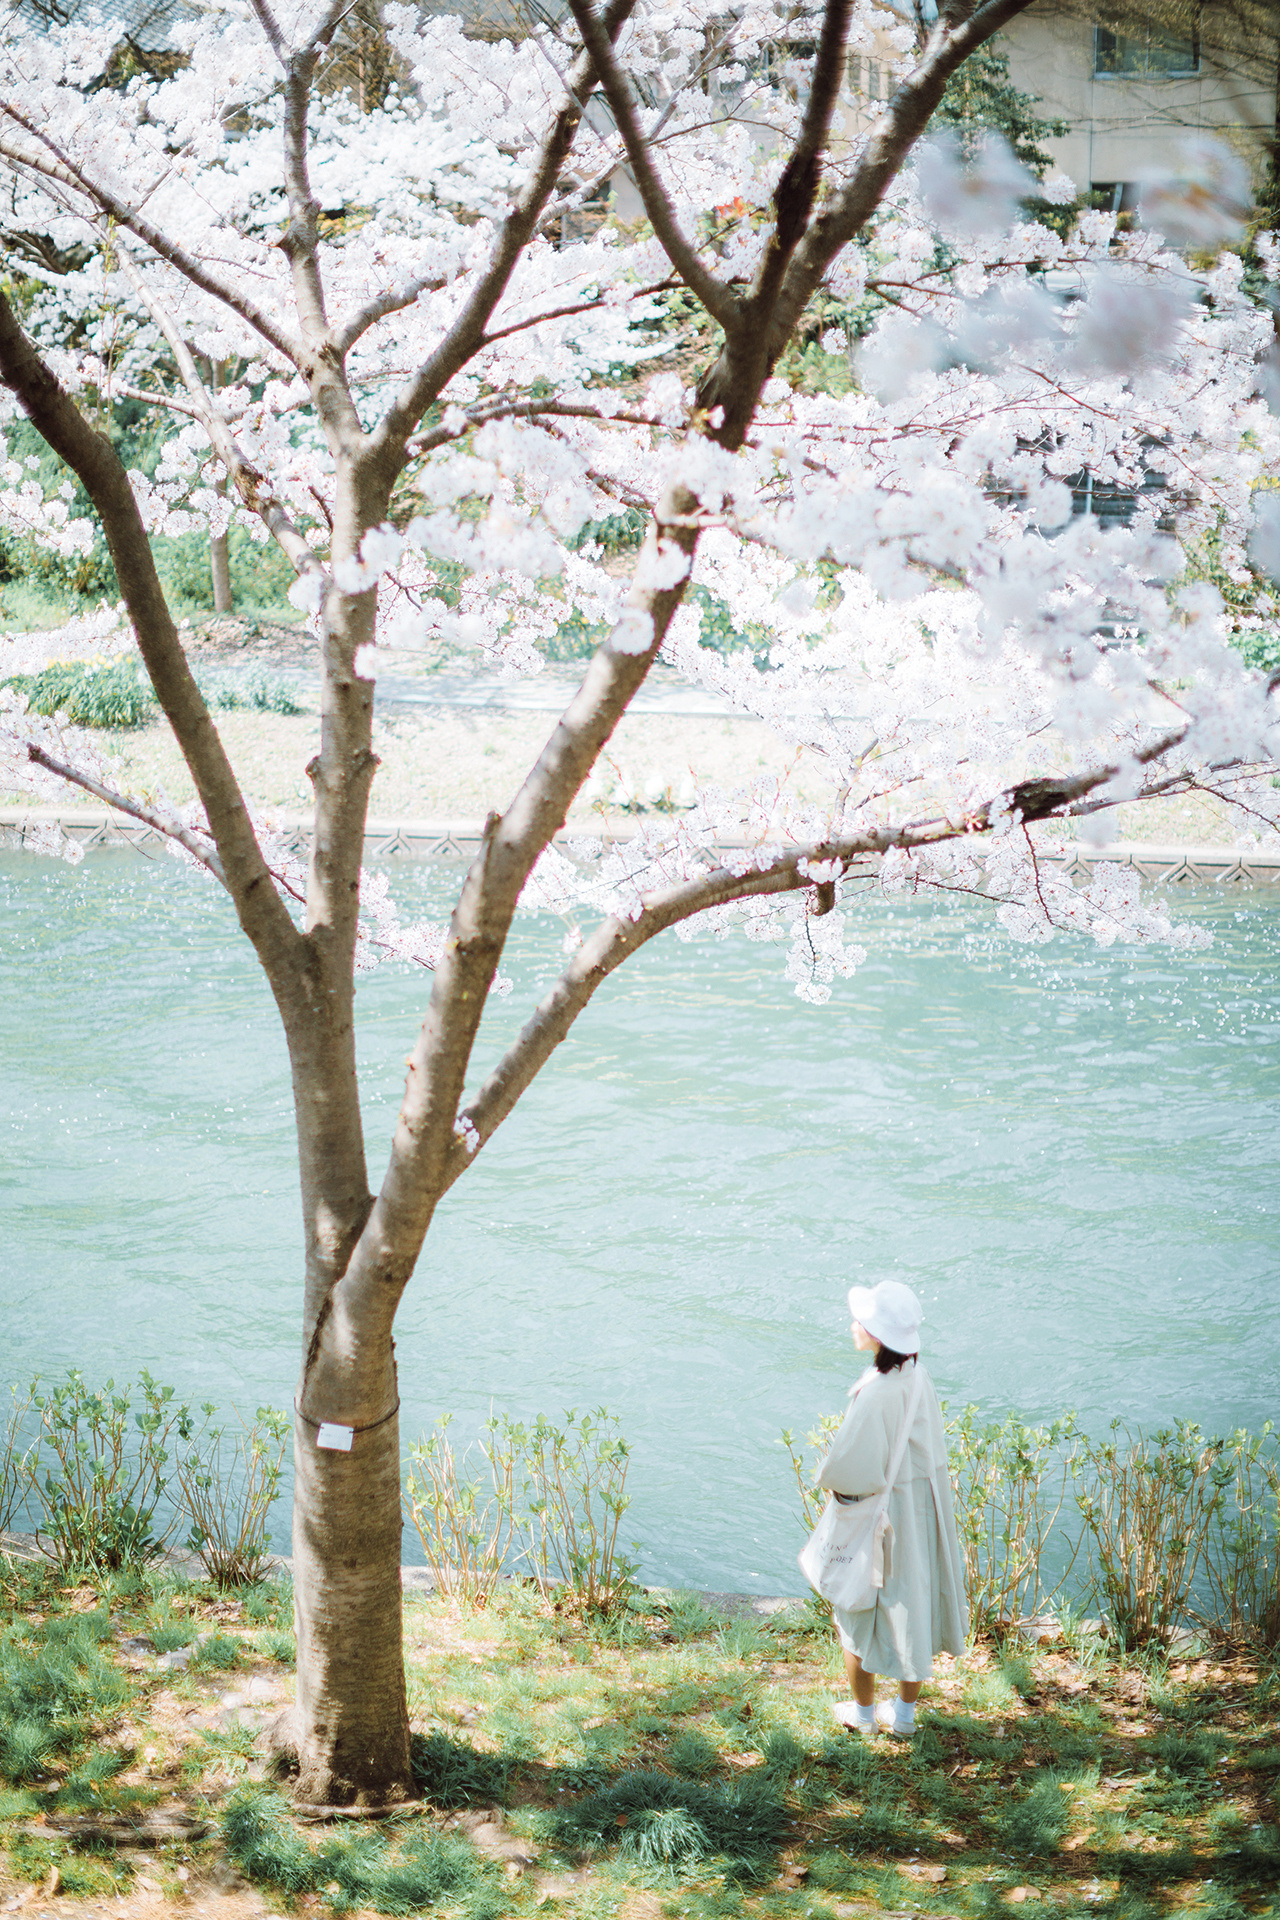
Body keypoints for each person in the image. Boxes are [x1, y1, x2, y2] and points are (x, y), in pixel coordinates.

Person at [815, 1279, 968, 1736]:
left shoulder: (877, 1391)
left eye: (861, 1320)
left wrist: (832, 1490)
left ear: (877, 1335)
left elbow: (848, 1467)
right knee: (914, 1607)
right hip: (921, 1509)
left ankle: (863, 1717)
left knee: (856, 1613)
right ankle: (903, 1716)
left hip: (883, 1516)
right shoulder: (918, 1377)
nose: (853, 1324)